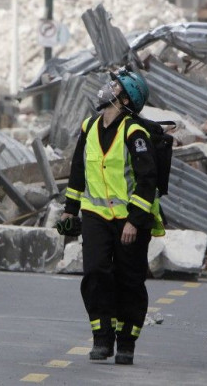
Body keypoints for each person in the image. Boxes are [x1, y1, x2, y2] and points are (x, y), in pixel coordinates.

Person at [60, 67, 165, 366]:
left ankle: (126, 342)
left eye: (114, 86)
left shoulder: (135, 133)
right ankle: (101, 337)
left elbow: (148, 180)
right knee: (95, 272)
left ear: (124, 98)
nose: (107, 88)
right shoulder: (88, 127)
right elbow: (78, 172)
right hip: (95, 215)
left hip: (130, 219)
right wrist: (69, 210)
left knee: (129, 280)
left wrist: (134, 220)